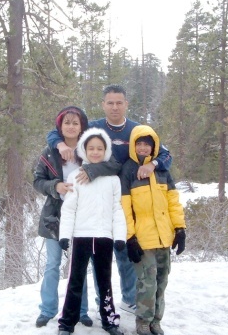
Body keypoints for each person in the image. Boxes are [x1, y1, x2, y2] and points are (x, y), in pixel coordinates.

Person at [47, 84, 173, 314]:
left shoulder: (136, 130)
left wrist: (153, 164)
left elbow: (164, 153)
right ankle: (91, 305)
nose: (115, 107)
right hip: (94, 196)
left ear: (126, 104)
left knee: (125, 250)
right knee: (94, 258)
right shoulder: (93, 127)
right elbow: (57, 131)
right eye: (110, 103)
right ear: (103, 104)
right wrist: (60, 144)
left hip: (127, 197)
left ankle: (129, 297)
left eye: (119, 102)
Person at [57, 128, 127, 335]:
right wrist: (64, 236)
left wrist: (120, 236)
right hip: (81, 237)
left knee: (104, 280)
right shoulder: (75, 177)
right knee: (75, 281)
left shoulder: (113, 179)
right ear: (84, 150)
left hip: (104, 237)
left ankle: (109, 321)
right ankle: (67, 324)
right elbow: (69, 209)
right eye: (91, 148)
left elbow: (117, 209)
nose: (95, 152)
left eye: (99, 148)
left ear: (105, 151)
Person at [119, 125, 187, 335]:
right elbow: (124, 208)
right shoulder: (128, 171)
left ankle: (156, 321)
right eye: (138, 143)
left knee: (161, 281)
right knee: (146, 283)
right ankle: (143, 322)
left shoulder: (162, 171)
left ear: (153, 146)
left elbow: (173, 202)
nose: (142, 148)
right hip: (142, 239)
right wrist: (130, 237)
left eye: (146, 144)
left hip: (163, 237)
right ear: (133, 145)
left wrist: (180, 228)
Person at [33, 106, 95, 328]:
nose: (71, 126)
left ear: (82, 127)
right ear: (60, 126)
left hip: (82, 215)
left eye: (75, 123)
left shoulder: (89, 150)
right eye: (67, 122)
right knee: (52, 264)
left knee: (79, 264)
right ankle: (48, 309)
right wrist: (55, 185)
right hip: (54, 216)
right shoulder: (50, 152)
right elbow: (37, 180)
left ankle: (82, 310)